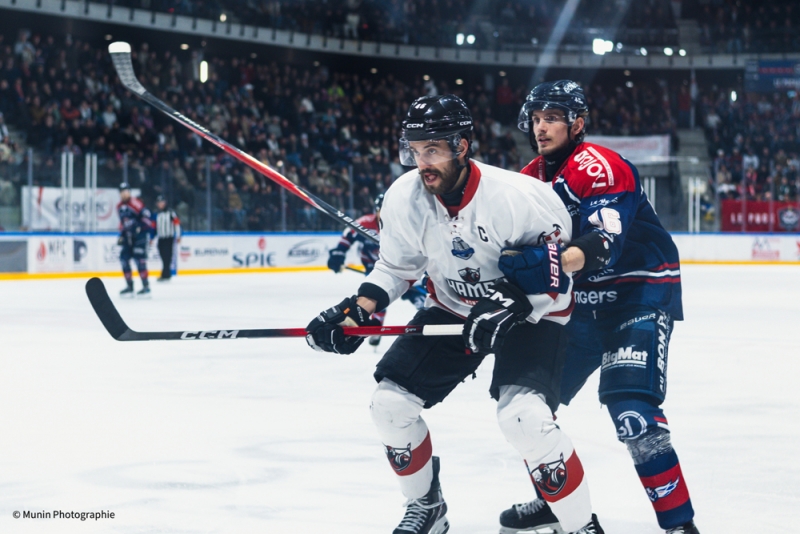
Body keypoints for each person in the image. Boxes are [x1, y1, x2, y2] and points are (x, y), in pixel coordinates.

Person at [306, 94, 603, 534]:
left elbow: (558, 273)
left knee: (524, 420)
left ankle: (582, 527)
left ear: (462, 147)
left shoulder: (518, 197)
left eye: (433, 150)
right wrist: (356, 311)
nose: (421, 162)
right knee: (389, 406)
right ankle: (427, 506)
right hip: (452, 310)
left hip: (535, 316)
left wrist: (512, 302)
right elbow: (395, 267)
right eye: (414, 150)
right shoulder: (405, 196)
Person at [497, 80, 699, 534]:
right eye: (535, 119)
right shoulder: (528, 180)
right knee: (527, 405)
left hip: (638, 292)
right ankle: (557, 498)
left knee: (631, 411)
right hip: (579, 303)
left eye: (551, 117)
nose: (541, 127)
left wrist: (543, 263)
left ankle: (679, 525)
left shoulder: (601, 166)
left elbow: (601, 244)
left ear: (577, 123)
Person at [326, 192, 427, 347]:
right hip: (375, 270)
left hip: (403, 270)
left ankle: (429, 319)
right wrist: (338, 254)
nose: (383, 212)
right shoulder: (365, 223)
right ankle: (375, 328)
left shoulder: (403, 225)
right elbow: (348, 236)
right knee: (375, 299)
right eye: (380, 209)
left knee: (419, 298)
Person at [117, 182, 155, 296]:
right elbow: (124, 223)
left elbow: (147, 218)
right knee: (124, 259)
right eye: (122, 192)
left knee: (140, 260)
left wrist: (142, 230)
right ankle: (129, 286)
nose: (124, 194)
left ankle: (146, 286)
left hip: (140, 236)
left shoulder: (135, 203)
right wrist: (122, 235)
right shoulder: (119, 206)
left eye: (126, 191)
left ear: (129, 192)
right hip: (128, 237)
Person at [154, 195, 181, 282]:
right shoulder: (157, 214)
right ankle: (165, 273)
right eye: (159, 203)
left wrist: (178, 235)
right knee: (162, 255)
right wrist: (151, 237)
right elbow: (154, 227)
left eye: (162, 202)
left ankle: (166, 274)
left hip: (168, 238)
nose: (160, 204)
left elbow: (177, 224)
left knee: (167, 256)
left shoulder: (171, 213)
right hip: (160, 238)